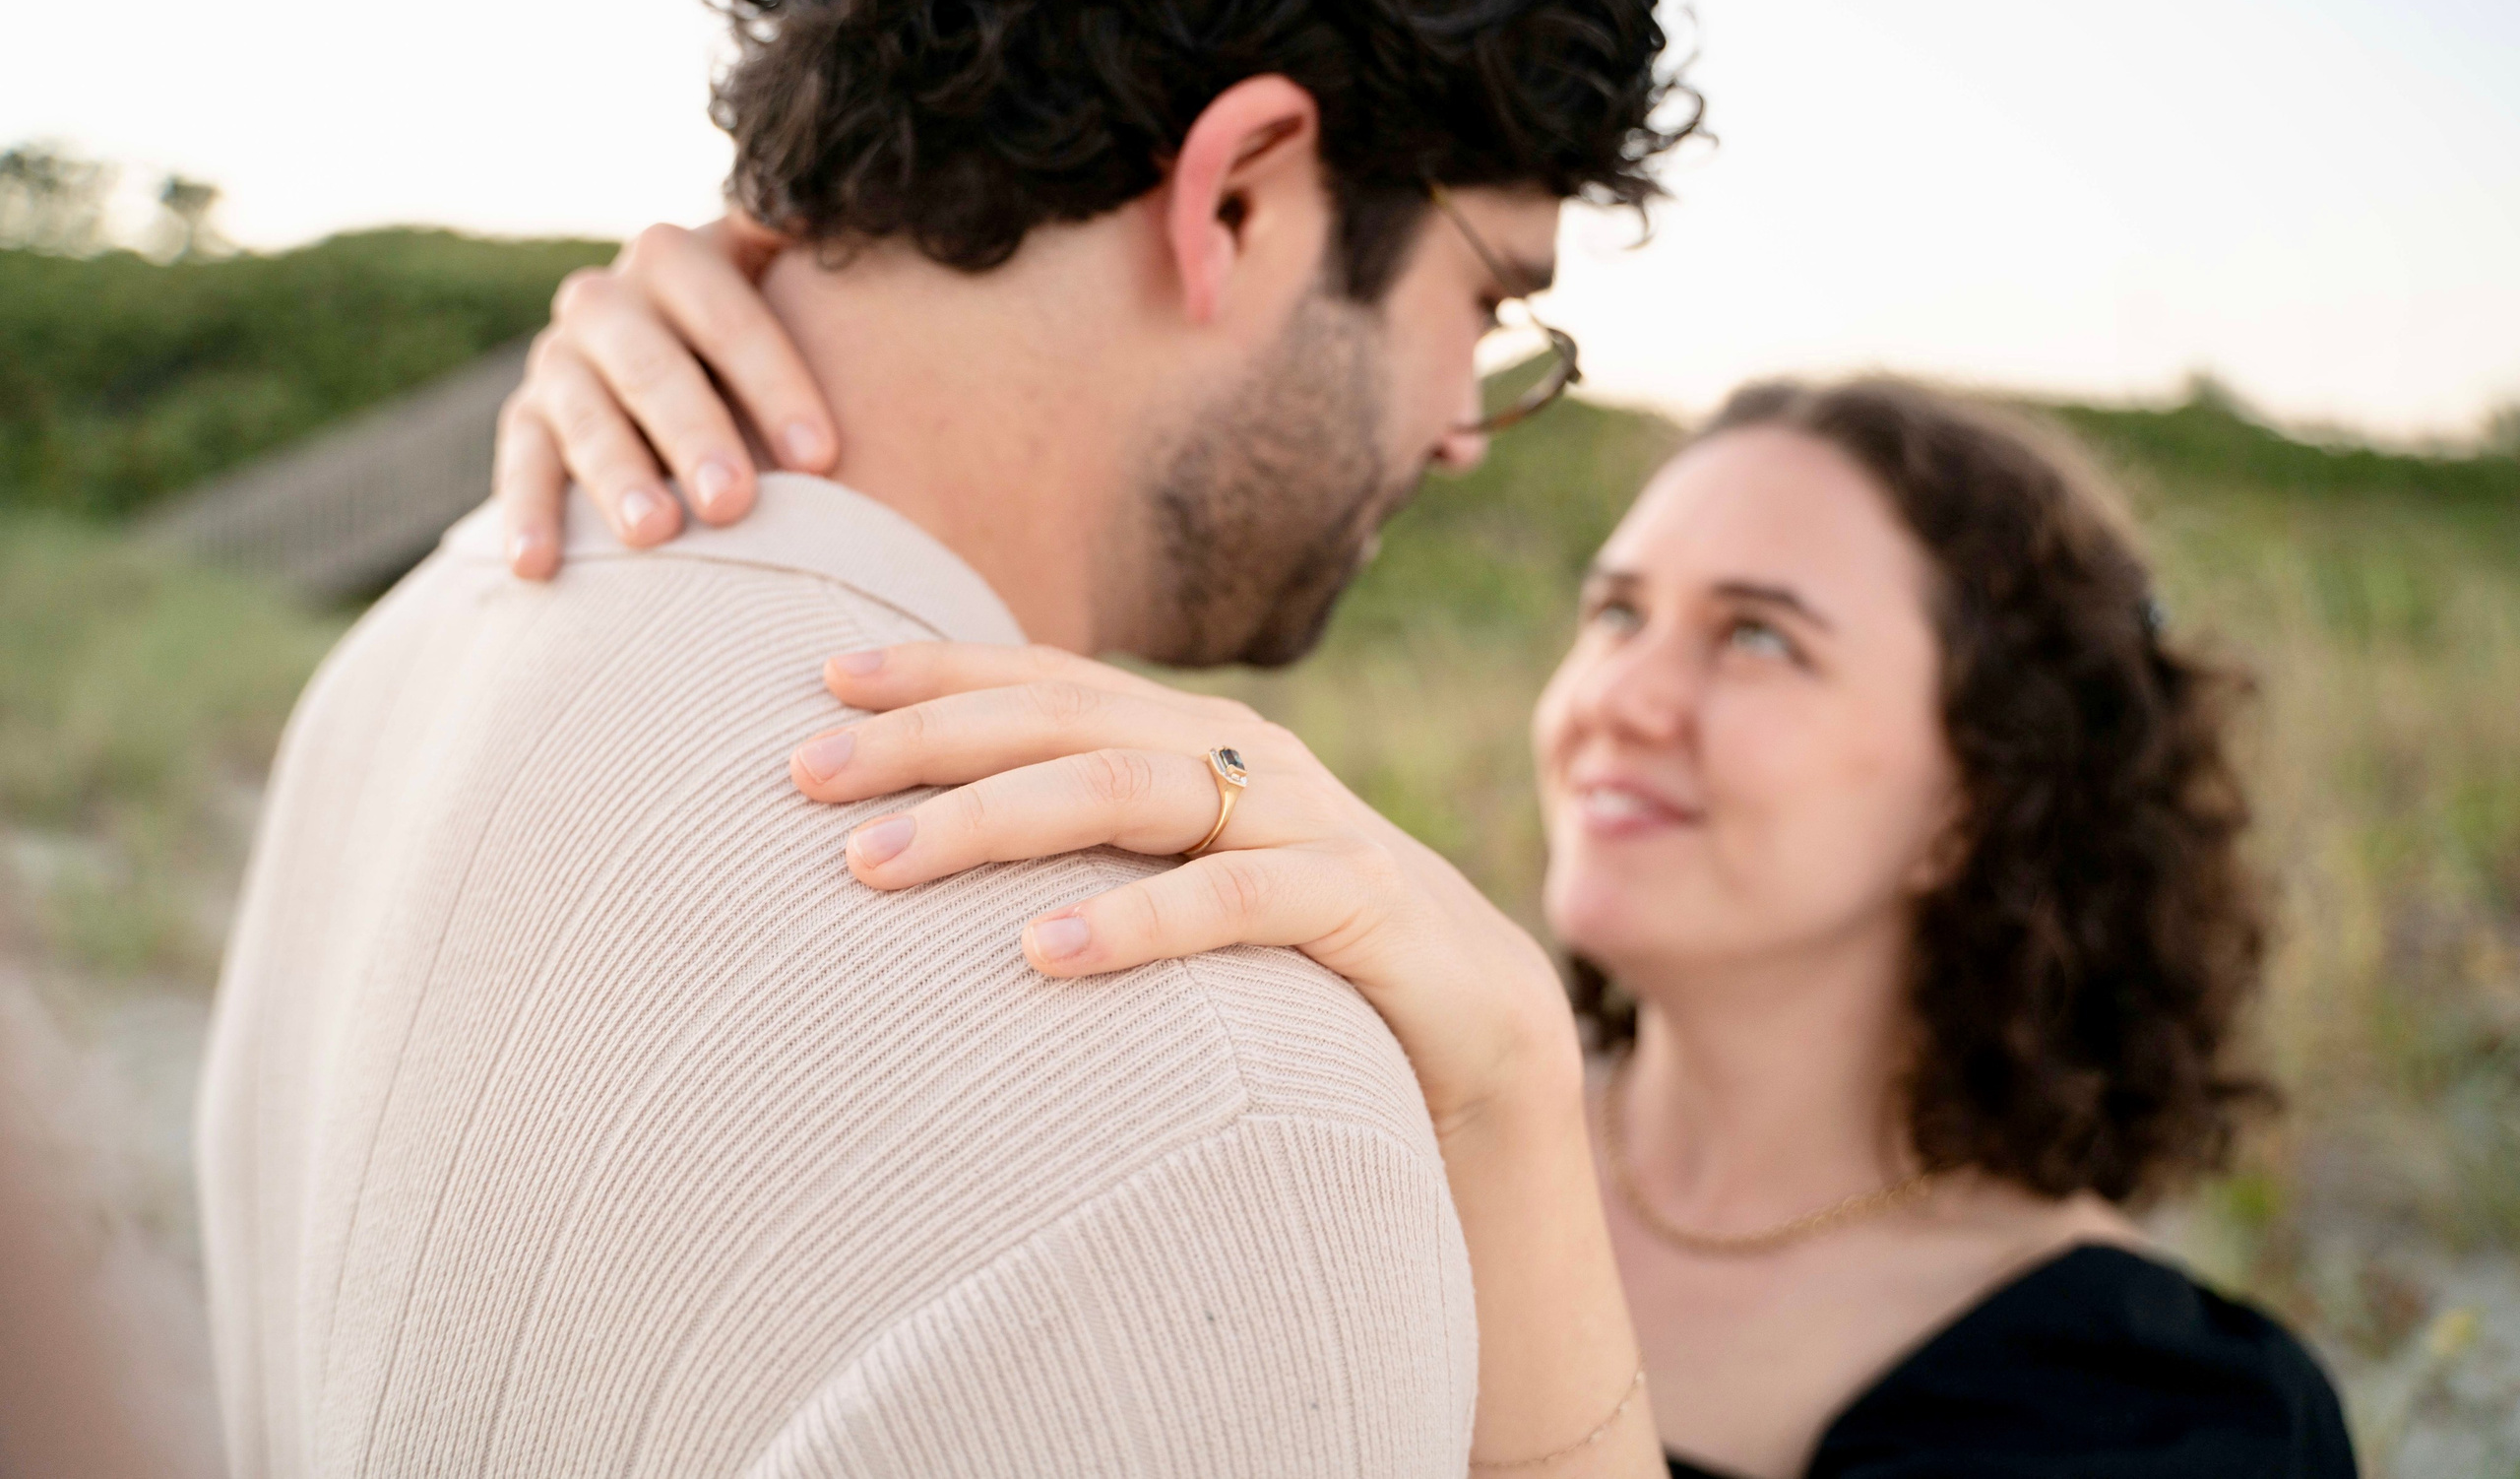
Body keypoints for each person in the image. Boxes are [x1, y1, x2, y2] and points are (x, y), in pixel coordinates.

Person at [194, 0, 1683, 1475]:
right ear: (1244, 197)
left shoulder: (429, 628)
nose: (1466, 426)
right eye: (1487, 304)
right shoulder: (1234, 1122)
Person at [509, 342, 2362, 1474]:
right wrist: (690, 360)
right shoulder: (1337, 1111)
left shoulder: (2164, 1415)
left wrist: (1512, 1108)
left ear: (1983, 793)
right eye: (1619, 608)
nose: (1624, 692)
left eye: (1760, 640)